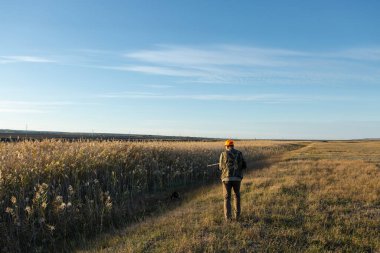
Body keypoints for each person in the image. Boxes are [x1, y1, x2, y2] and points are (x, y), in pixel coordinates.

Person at [219, 139, 247, 221]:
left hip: (226, 178)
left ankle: (228, 218)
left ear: (227, 146)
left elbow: (220, 167)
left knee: (227, 198)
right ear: (233, 146)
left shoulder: (223, 154)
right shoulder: (239, 153)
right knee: (237, 196)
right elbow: (243, 165)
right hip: (237, 178)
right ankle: (237, 216)